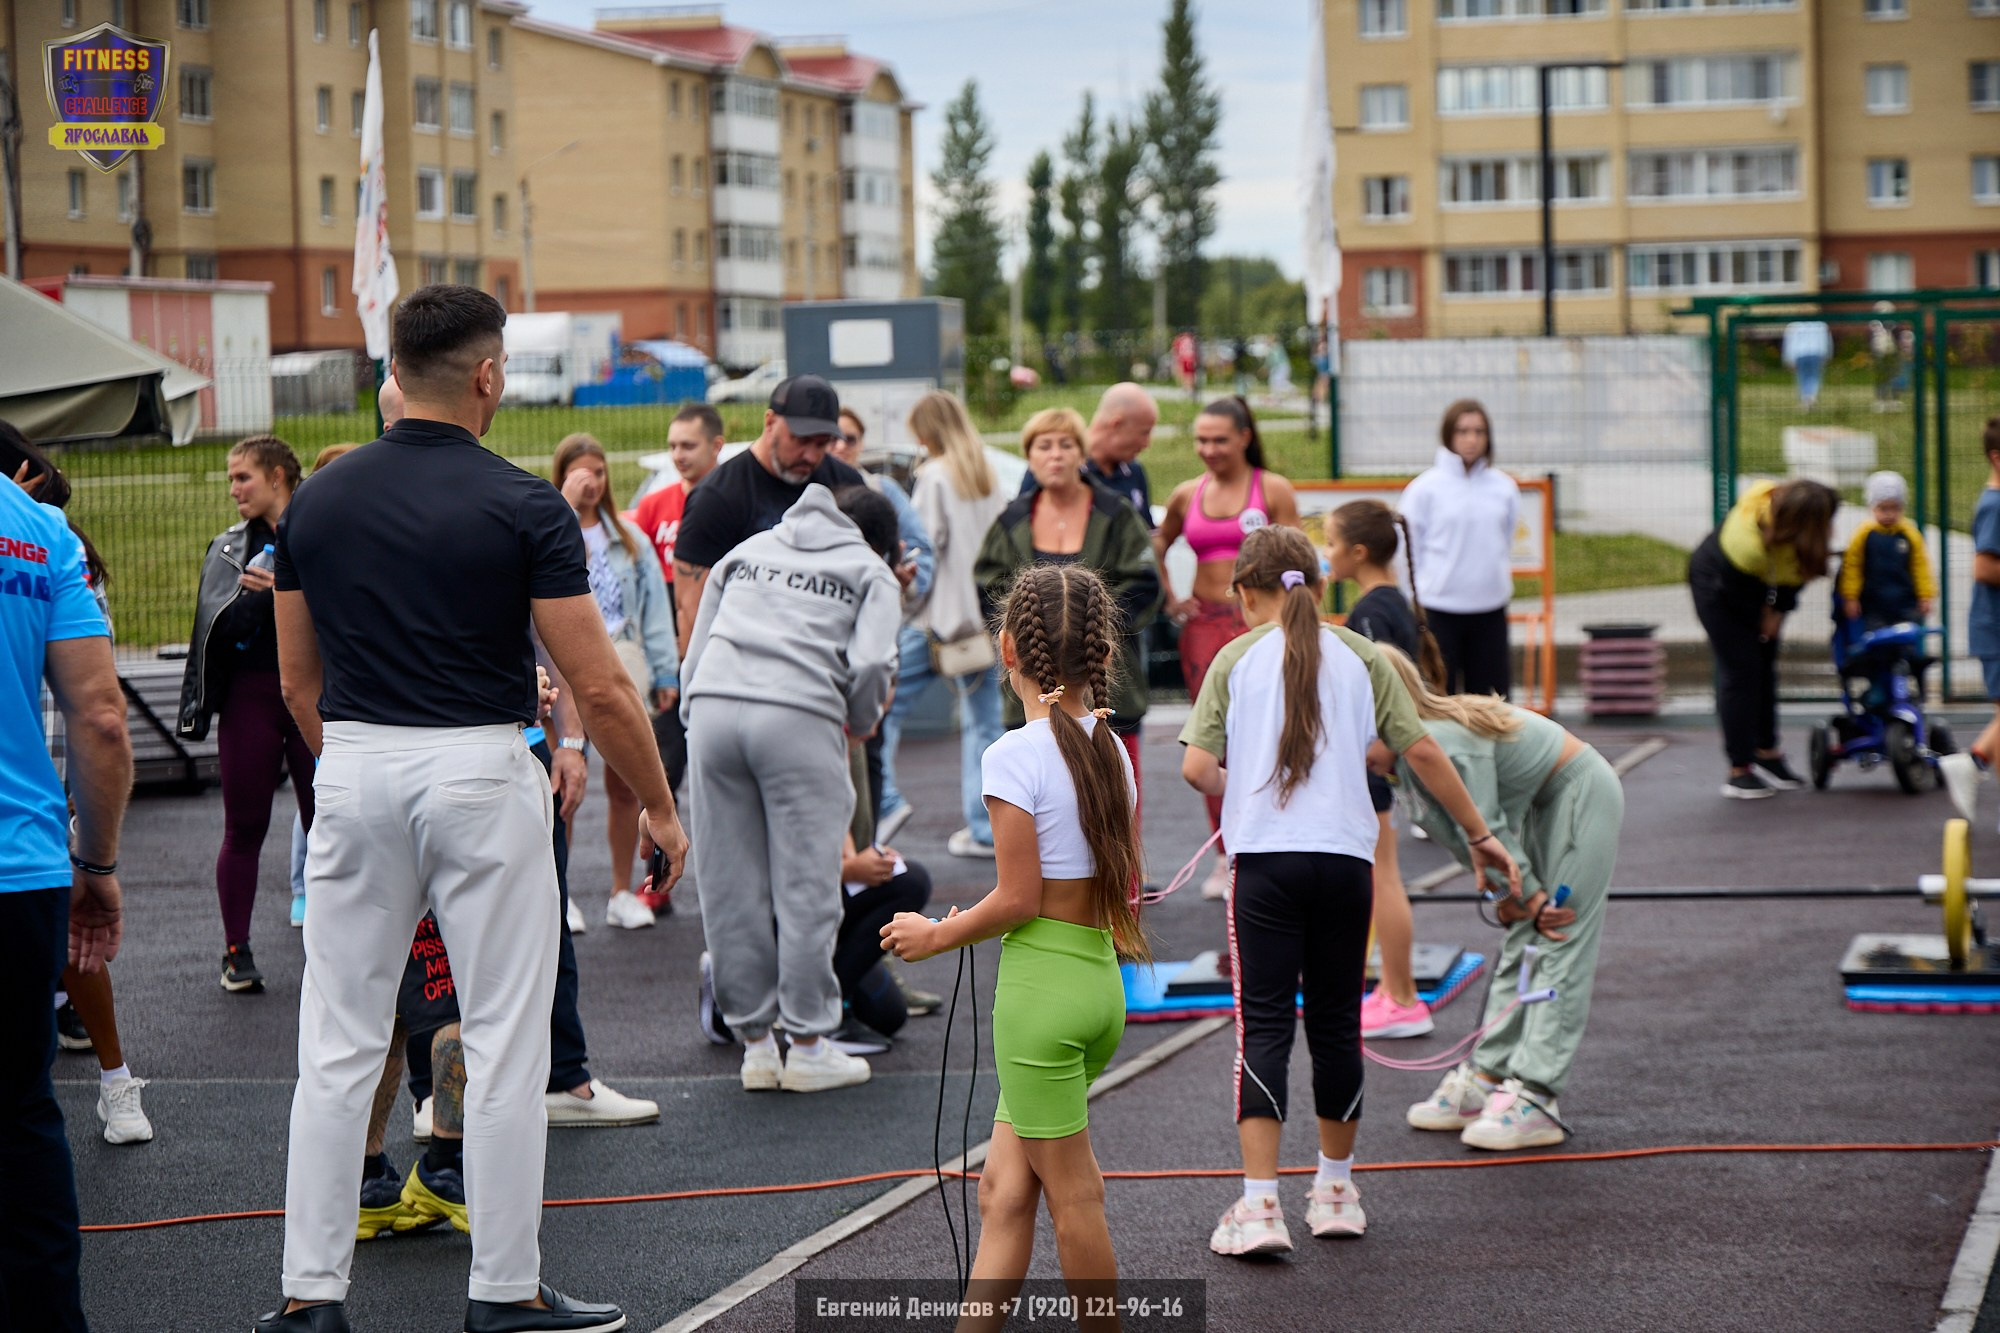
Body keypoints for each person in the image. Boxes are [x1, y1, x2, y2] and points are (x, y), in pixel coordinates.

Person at [260, 285, 683, 1333]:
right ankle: (504, 1291)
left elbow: (294, 683)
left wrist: (358, 764)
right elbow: (600, 686)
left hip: (352, 768)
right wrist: (665, 816)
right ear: (489, 374)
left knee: (338, 1042)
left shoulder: (314, 500)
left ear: (393, 370)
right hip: (481, 772)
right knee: (501, 1041)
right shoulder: (522, 503)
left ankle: (309, 1298)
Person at [1180, 528, 1524, 1252]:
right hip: (1344, 860)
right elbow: (1420, 747)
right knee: (1336, 1024)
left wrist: (1240, 790)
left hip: (1268, 864)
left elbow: (1197, 767)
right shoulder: (1361, 655)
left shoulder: (1235, 656)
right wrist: (1481, 835)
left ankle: (1261, 1206)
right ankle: (1335, 1190)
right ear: (1319, 584)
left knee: (1265, 1025)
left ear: (1245, 592)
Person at [880, 564, 1147, 1329]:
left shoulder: (1013, 755)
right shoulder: (1112, 748)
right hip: (1095, 985)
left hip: (1039, 1002)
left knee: (1075, 1194)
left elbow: (1019, 899)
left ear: (1008, 650)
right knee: (1003, 1189)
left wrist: (935, 935)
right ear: (1099, 653)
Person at [680, 484, 901, 1094]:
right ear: (881, 544)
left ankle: (754, 1045)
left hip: (715, 711)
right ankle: (806, 1043)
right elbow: (873, 665)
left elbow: (696, 647)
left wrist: (694, 716)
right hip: (800, 713)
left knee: (728, 883)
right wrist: (856, 721)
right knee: (805, 885)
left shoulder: (747, 551)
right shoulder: (870, 572)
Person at [1374, 645, 1619, 1152]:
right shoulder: (1404, 763)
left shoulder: (1438, 743)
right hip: (1536, 809)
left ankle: (1537, 1095)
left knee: (1559, 929)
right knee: (1524, 938)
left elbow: (1488, 826)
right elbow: (1466, 836)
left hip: (1578, 792)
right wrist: (1511, 896)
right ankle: (1489, 1074)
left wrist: (1526, 896)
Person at [0, 436, 132, 1333]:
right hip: (22, 867)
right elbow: (99, 715)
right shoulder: (36, 526)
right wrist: (98, 865)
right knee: (18, 1112)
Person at [975, 408, 1162, 836]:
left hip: (1104, 675)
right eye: (1044, 446)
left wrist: (1090, 627)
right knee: (1039, 790)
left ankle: (1125, 874)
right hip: (1032, 674)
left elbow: (1145, 583)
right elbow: (987, 586)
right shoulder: (1010, 521)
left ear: (1082, 453)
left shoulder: (1115, 513)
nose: (1055, 455)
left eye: (1066, 445)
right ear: (1029, 457)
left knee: (1114, 783)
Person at [178, 434, 314, 994]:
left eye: (243, 478)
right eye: (231, 479)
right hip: (251, 699)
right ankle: (236, 950)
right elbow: (210, 632)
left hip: (315, 695)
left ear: (278, 476)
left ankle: (344, 945)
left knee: (333, 825)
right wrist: (256, 601)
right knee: (244, 828)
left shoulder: (321, 532)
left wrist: (285, 588)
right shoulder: (230, 547)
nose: (234, 489)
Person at [1154, 396, 1301, 898]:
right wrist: (1171, 598)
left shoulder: (1272, 489)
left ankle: (1278, 835)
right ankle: (1225, 852)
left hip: (1259, 625)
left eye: (1219, 439)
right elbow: (1157, 541)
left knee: (1272, 728)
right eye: (1201, 440)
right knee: (1212, 739)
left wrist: (1294, 622)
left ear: (1244, 436)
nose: (1209, 449)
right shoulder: (1186, 493)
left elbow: (1298, 561)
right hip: (1205, 628)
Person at [1327, 499, 1448, 1041]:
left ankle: (1401, 997)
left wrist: (1378, 750)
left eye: (1330, 543)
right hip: (1379, 754)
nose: (1325, 554)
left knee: (1385, 876)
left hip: (1376, 756)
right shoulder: (1389, 601)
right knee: (1381, 874)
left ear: (1357, 552)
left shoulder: (1373, 611)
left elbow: (1385, 689)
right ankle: (1390, 989)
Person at [553, 433, 679, 931]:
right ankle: (558, 895)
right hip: (566, 670)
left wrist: (664, 673)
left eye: (598, 473)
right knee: (564, 783)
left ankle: (621, 891)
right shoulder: (548, 530)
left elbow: (653, 614)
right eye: (579, 473)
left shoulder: (629, 539)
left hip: (620, 663)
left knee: (627, 784)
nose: (591, 483)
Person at [878, 392, 1006, 857]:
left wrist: (904, 605)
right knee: (985, 725)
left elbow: (924, 548)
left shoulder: (933, 476)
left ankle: (881, 804)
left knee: (883, 708)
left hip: (934, 621)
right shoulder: (987, 472)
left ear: (927, 432)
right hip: (984, 623)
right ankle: (985, 828)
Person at [671, 375, 866, 651]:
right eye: (801, 439)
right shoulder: (717, 497)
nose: (810, 455)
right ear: (770, 422)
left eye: (821, 444)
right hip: (748, 667)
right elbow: (692, 610)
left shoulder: (847, 486)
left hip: (829, 662)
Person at [624, 402, 727, 908]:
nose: (678, 455)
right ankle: (656, 881)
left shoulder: (731, 503)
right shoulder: (655, 505)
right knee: (662, 773)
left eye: (688, 446)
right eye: (672, 446)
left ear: (716, 446)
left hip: (720, 655)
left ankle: (731, 883)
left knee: (724, 774)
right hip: (671, 658)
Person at [1687, 477, 1839, 800]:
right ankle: (1739, 769)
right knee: (1741, 671)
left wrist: (1779, 610)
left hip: (1759, 591)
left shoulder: (1792, 532)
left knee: (1765, 668)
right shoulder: (1748, 546)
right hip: (1718, 585)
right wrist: (1764, 615)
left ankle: (1766, 753)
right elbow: (1737, 590)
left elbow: (1796, 576)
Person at [832, 405, 937, 842]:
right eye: (831, 438)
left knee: (870, 738)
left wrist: (900, 582)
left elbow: (921, 551)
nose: (840, 446)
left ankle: (871, 836)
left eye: (850, 438)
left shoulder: (883, 490)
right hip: (821, 643)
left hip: (874, 633)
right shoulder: (806, 493)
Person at [286, 443, 364, 930]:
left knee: (323, 790)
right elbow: (295, 681)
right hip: (333, 705)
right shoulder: (308, 542)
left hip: (353, 711)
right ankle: (303, 885)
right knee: (315, 794)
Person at [1399, 400, 1520, 698]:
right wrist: (1413, 601)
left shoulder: (1504, 488)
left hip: (1489, 611)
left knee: (1492, 700)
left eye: (1479, 431)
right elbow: (1407, 550)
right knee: (1439, 698)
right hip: (1439, 611)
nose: (1471, 439)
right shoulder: (1424, 490)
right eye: (1463, 431)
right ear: (1448, 434)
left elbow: (1504, 539)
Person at [1941, 419, 2000, 824]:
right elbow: (1983, 567)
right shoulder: (1995, 505)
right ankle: (1974, 759)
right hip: (1995, 630)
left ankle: (1976, 760)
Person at [1015, 382, 1158, 529]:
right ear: (1116, 424)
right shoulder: (1054, 470)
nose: (1146, 444)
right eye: (1144, 432)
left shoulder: (1133, 472)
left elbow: (1147, 536)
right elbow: (1020, 532)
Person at [1838, 471, 1934, 629]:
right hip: (1873, 605)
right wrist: (1851, 597)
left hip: (1905, 604)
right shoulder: (1863, 534)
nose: (1889, 514)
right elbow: (1852, 566)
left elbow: (1920, 565)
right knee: (1877, 645)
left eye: (1895, 508)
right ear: (1872, 507)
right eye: (1883, 508)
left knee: (1905, 643)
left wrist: (1925, 596)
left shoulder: (1909, 534)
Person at [1782, 320, 1832, 411]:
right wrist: (1827, 354)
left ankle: (1807, 399)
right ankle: (1810, 398)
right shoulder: (1821, 325)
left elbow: (1789, 342)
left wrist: (1788, 358)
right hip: (1815, 352)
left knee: (1805, 376)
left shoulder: (1794, 325)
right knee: (1813, 376)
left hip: (1800, 353)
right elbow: (1826, 341)